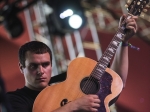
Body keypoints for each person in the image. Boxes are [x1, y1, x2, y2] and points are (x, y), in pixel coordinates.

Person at [6, 14, 138, 112]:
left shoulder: (67, 82)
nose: (41, 71)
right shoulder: (14, 99)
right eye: (33, 66)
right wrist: (75, 105)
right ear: (21, 68)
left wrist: (123, 41)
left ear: (51, 65)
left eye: (45, 64)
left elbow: (116, 81)